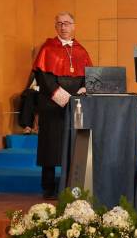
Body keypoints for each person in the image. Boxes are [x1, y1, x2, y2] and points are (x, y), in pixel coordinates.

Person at [32, 12, 92, 199]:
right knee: (50, 145)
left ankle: (70, 185)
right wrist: (61, 95)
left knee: (73, 144)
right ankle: (48, 186)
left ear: (74, 26)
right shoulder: (47, 49)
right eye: (60, 23)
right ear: (55, 27)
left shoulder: (82, 50)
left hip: (76, 104)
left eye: (67, 23)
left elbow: (88, 75)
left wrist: (82, 90)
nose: (64, 27)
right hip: (52, 104)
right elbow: (43, 76)